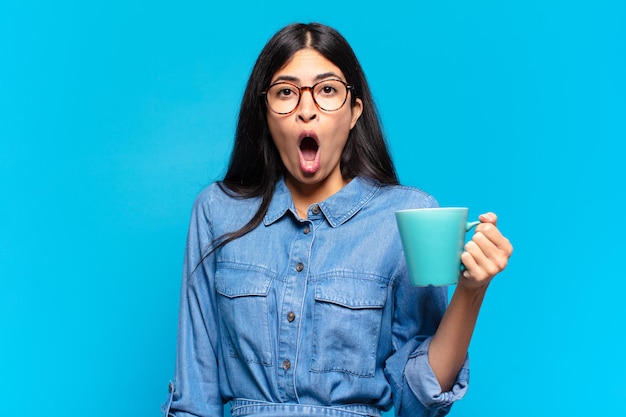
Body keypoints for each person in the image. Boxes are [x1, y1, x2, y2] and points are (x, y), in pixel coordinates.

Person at [162, 22, 513, 417]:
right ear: (265, 113)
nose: (307, 109)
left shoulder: (406, 219)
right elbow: (193, 398)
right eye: (285, 93)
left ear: (353, 112)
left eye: (327, 90)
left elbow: (418, 404)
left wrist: (471, 291)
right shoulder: (217, 211)